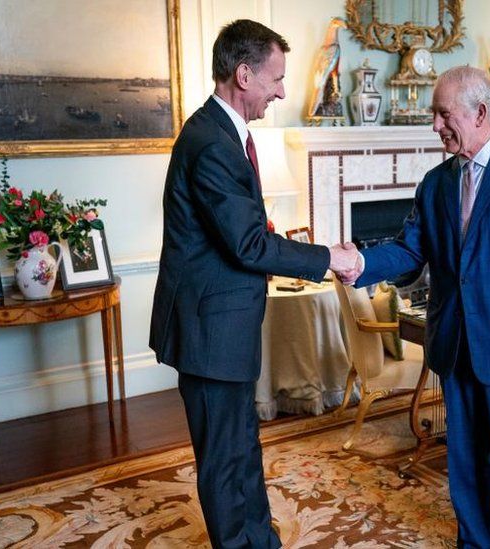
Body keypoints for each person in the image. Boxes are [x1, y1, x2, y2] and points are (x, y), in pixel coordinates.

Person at [332, 66, 490, 548]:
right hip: (454, 344)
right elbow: (409, 251)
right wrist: (359, 260)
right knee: (466, 468)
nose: (435, 125)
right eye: (434, 113)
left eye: (443, 113)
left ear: (481, 112)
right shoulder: (435, 183)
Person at [149, 19, 357, 549]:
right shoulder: (211, 142)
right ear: (243, 75)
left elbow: (241, 233)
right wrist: (327, 256)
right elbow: (246, 245)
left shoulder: (224, 135)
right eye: (276, 78)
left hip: (223, 326)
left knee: (241, 444)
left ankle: (261, 541)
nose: (282, 91)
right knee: (224, 458)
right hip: (210, 331)